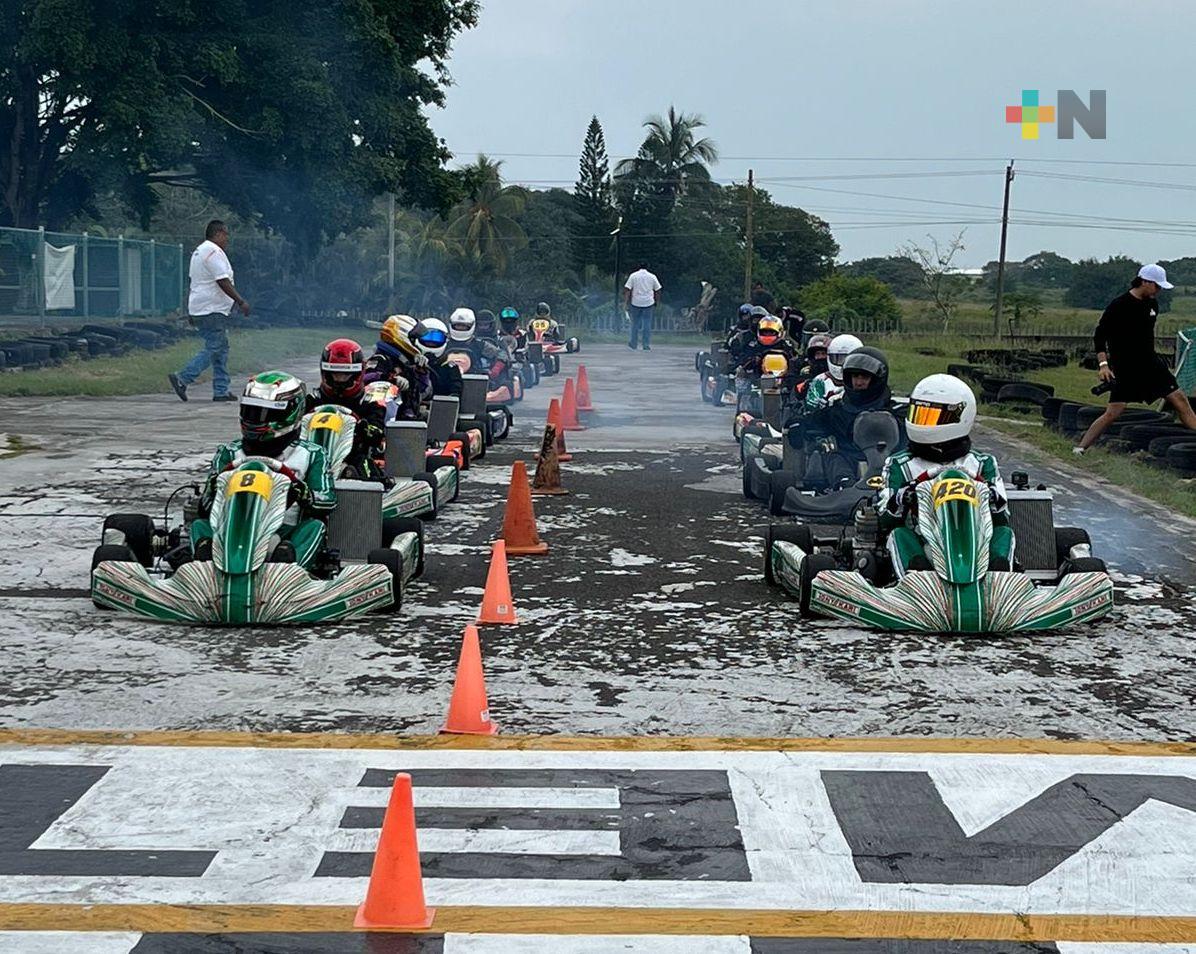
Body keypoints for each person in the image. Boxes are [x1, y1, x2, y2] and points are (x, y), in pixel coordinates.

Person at [194, 371, 334, 565]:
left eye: (267, 413)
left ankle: (289, 570)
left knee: (315, 527)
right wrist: (212, 490)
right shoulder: (229, 452)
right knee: (199, 526)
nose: (256, 419)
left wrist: (305, 495)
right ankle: (204, 566)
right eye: (251, 411)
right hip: (231, 529)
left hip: (284, 532)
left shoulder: (311, 454)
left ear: (290, 412)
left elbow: (327, 500)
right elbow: (205, 509)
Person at [879, 373, 1013, 575]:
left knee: (1004, 534)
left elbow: (1002, 519)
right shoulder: (900, 464)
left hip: (976, 544)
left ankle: (1000, 583)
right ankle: (915, 582)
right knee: (898, 535)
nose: (922, 424)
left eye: (931, 417)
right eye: (919, 414)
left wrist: (992, 496)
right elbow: (885, 520)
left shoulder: (982, 463)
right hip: (923, 542)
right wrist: (902, 497)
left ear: (961, 416)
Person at [1075, 264, 1196, 454]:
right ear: (1145, 282)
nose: (1159, 290)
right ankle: (1081, 448)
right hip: (1126, 367)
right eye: (1157, 286)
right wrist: (1104, 365)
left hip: (1151, 364)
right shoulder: (1119, 305)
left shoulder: (1152, 304)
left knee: (1180, 399)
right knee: (1114, 411)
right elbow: (1100, 335)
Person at [790, 346, 899, 489]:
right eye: (855, 377)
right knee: (834, 456)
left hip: (887, 462)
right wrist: (798, 425)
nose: (859, 382)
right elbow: (812, 421)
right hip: (849, 460)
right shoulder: (838, 411)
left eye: (864, 377)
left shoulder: (895, 412)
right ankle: (844, 487)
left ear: (877, 379)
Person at [169, 220, 251, 402]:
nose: (227, 239)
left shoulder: (199, 252)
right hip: (211, 310)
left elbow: (196, 283)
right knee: (216, 347)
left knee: (221, 348)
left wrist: (191, 310)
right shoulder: (212, 252)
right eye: (226, 234)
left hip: (203, 308)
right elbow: (222, 281)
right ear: (219, 233)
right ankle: (183, 377)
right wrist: (240, 301)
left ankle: (221, 390)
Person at [306, 338, 388, 480]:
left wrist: (363, 427)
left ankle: (369, 494)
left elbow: (377, 435)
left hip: (352, 456)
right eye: (335, 374)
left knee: (363, 465)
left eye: (345, 375)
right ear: (325, 373)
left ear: (357, 374)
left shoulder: (370, 405)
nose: (339, 380)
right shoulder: (312, 401)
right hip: (312, 455)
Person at [363, 315, 428, 419]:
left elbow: (420, 390)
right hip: (386, 419)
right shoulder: (381, 359)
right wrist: (392, 379)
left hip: (407, 418)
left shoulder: (405, 363)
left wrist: (421, 371)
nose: (418, 344)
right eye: (415, 340)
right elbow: (366, 378)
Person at [805, 333, 862, 410]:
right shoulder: (820, 380)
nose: (843, 363)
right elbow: (810, 408)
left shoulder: (864, 381)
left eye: (847, 359)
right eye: (838, 359)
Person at [623, 262, 662, 351]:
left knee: (635, 324)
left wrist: (626, 302)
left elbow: (627, 289)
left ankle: (633, 343)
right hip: (648, 302)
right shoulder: (652, 276)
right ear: (647, 267)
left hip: (635, 302)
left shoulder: (633, 276)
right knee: (646, 324)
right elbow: (658, 290)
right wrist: (657, 301)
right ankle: (646, 344)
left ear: (638, 267)